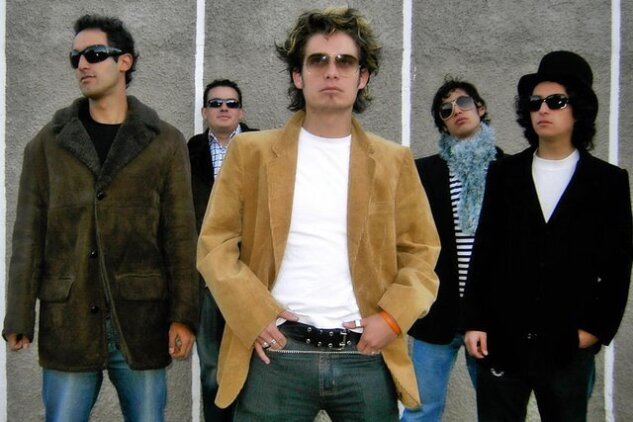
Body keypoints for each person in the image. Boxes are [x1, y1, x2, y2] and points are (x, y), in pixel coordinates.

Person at [196, 7, 440, 421]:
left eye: (345, 61)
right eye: (318, 60)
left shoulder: (393, 161)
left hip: (365, 355)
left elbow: (422, 251)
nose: (331, 71)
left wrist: (392, 319)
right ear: (298, 75)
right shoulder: (251, 153)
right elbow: (214, 245)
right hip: (276, 355)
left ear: (362, 77)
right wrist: (252, 315)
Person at [2, 14, 198, 421]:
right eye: (75, 57)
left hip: (141, 319)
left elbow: (181, 237)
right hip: (68, 318)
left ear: (124, 61)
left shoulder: (164, 141)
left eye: (93, 54)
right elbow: (28, 237)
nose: (82, 65)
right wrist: (19, 313)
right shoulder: (47, 144)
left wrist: (184, 316)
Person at [463, 51, 633, 421]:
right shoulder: (504, 173)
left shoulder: (608, 182)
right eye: (535, 102)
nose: (543, 109)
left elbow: (618, 265)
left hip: (566, 344)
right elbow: (485, 252)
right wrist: (474, 320)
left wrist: (592, 331)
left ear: (579, 109)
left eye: (556, 101)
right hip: (502, 339)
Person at [403, 78, 503, 422]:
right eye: (446, 110)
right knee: (421, 410)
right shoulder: (424, 172)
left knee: (498, 412)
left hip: (491, 317)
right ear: (442, 123)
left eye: (463, 102)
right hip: (436, 312)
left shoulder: (509, 170)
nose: (456, 111)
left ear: (480, 108)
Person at [188, 79, 257, 422]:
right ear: (205, 112)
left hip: (255, 276)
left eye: (231, 103)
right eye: (216, 103)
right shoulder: (190, 152)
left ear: (241, 111)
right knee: (213, 367)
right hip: (209, 279)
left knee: (259, 364)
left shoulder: (263, 146)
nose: (224, 108)